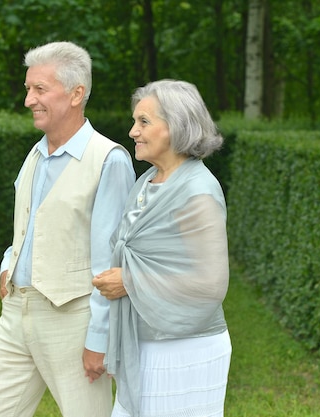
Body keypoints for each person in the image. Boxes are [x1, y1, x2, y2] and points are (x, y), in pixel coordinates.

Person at [0, 41, 136, 417]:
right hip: (15, 314)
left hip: (72, 321)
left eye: (39, 89)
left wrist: (99, 338)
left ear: (77, 94)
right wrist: (7, 263)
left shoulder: (108, 159)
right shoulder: (36, 153)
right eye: (28, 89)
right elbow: (27, 224)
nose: (29, 100)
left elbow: (110, 261)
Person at [93, 79, 232, 417]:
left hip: (184, 350)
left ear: (176, 126)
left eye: (144, 122)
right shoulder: (147, 181)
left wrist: (130, 280)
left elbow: (211, 284)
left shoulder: (197, 192)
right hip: (146, 344)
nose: (132, 132)